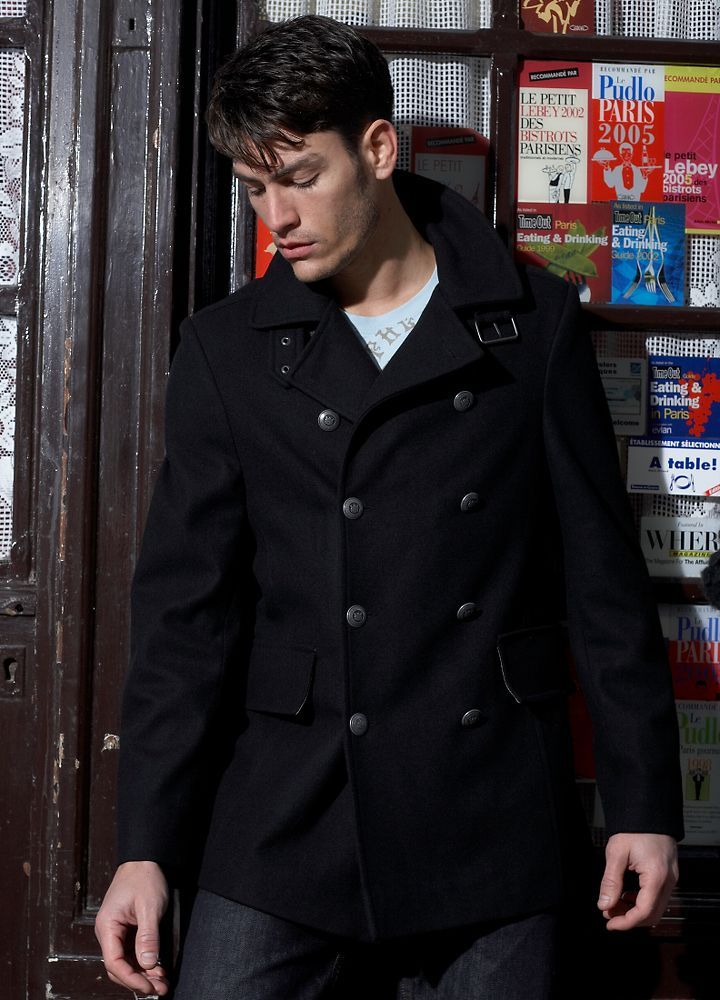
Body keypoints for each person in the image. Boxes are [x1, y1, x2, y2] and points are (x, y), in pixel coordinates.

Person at [95, 14, 683, 999]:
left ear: (377, 147)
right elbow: (184, 618)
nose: (277, 216)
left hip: (488, 809)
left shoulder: (530, 329)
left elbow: (603, 583)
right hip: (283, 810)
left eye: (300, 176)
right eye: (254, 187)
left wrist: (644, 802)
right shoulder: (228, 350)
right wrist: (145, 845)